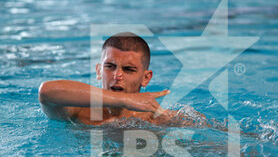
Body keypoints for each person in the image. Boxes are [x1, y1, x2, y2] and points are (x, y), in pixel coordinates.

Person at [39, 32, 178, 126]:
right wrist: (125, 99)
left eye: (128, 69)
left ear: (146, 78)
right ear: (99, 71)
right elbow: (46, 91)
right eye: (110, 66)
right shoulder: (77, 112)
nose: (117, 75)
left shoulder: (158, 119)